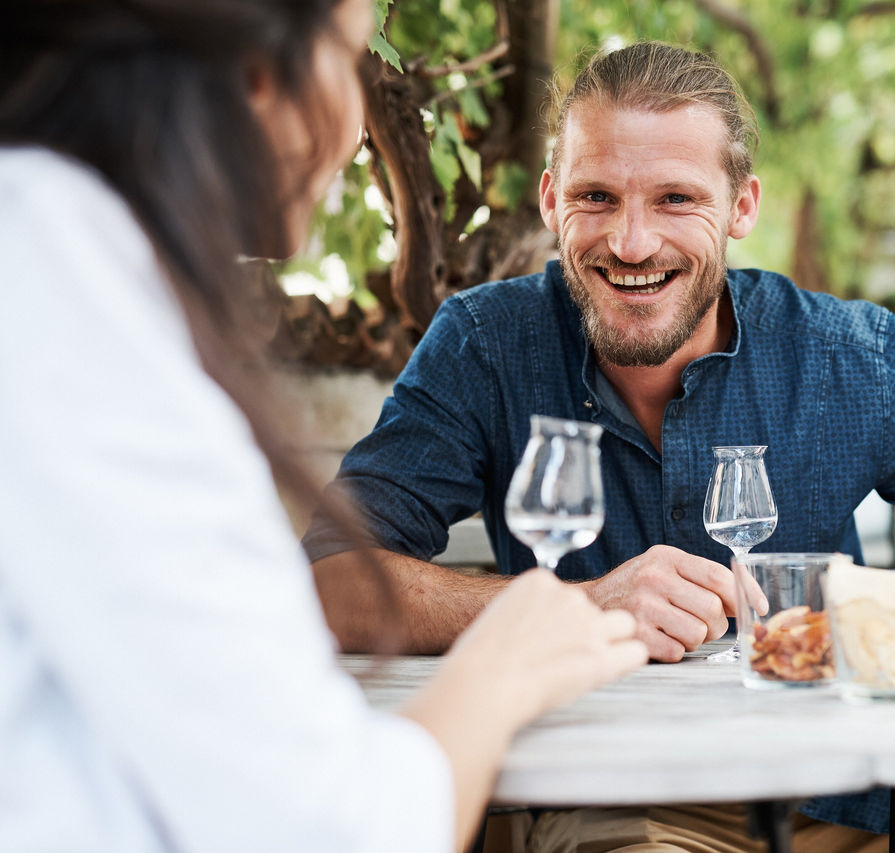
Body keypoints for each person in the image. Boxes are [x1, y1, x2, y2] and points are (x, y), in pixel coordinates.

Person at [304, 42, 895, 852]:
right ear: (549, 201)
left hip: (859, 784)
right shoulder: (485, 346)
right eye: (596, 196)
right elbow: (328, 579)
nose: (631, 241)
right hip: (611, 789)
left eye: (676, 198)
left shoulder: (852, 355)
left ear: (742, 207)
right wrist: (580, 609)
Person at [0, 2, 647, 852]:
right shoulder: (63, 296)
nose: (355, 134)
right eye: (348, 61)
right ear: (259, 74)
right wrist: (505, 661)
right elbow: (336, 829)